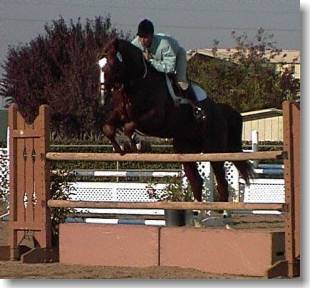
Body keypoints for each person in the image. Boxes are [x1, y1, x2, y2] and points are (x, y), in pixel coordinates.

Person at [131, 19, 197, 103]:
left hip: (177, 56)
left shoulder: (165, 45)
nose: (142, 40)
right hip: (158, 61)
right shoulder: (136, 43)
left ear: (152, 36)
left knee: (181, 83)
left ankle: (196, 107)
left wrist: (150, 61)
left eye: (145, 37)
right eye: (140, 37)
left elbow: (169, 68)